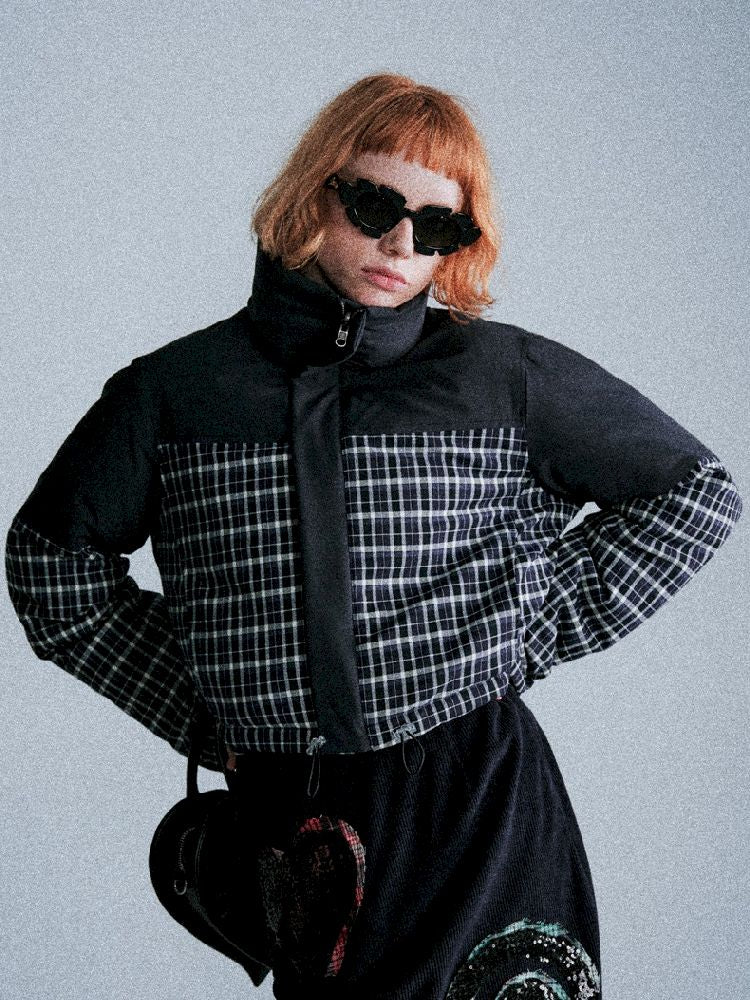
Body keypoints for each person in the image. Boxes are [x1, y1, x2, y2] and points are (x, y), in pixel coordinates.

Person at [4, 72, 743, 999]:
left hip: (479, 805)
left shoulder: (502, 376)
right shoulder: (173, 393)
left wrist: (526, 627)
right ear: (311, 191)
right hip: (295, 820)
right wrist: (207, 706)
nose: (401, 244)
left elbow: (693, 492)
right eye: (374, 206)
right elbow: (51, 564)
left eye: (437, 226)